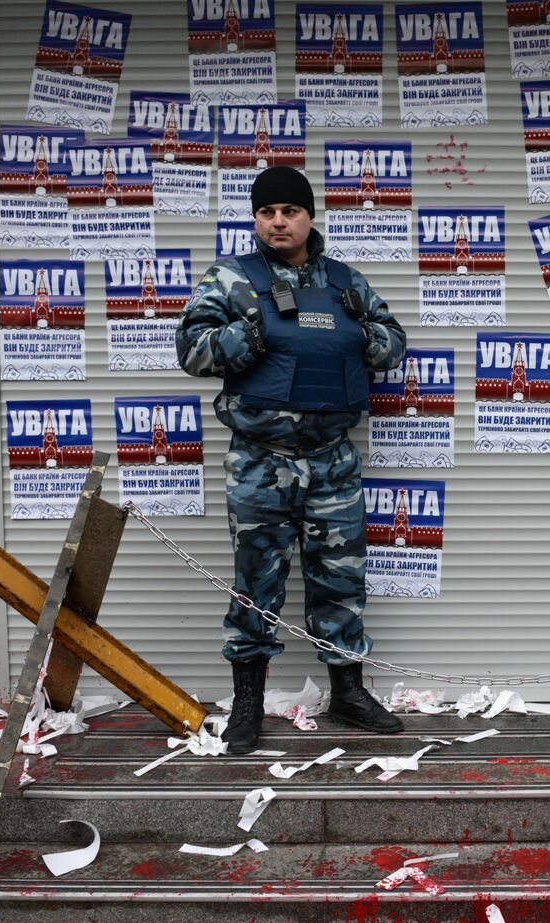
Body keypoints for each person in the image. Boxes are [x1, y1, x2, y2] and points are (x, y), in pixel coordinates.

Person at [177, 165, 407, 753]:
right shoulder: (232, 279)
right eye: (267, 212)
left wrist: (361, 336)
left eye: (290, 211)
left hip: (333, 460)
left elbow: (391, 340)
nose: (278, 221)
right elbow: (192, 352)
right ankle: (248, 704)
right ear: (256, 220)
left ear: (309, 217)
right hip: (261, 460)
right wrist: (252, 332)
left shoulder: (344, 282)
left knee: (341, 581)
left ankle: (349, 694)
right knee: (257, 584)